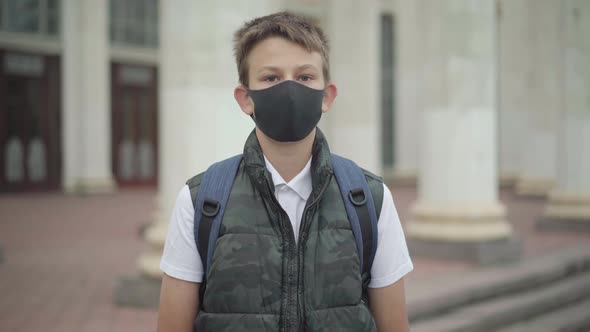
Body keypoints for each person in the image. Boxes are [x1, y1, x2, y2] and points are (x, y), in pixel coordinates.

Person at [157, 12, 413, 332]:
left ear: (327, 96)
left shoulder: (369, 199)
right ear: (245, 98)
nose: (289, 89)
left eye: (305, 77)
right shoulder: (201, 200)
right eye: (271, 77)